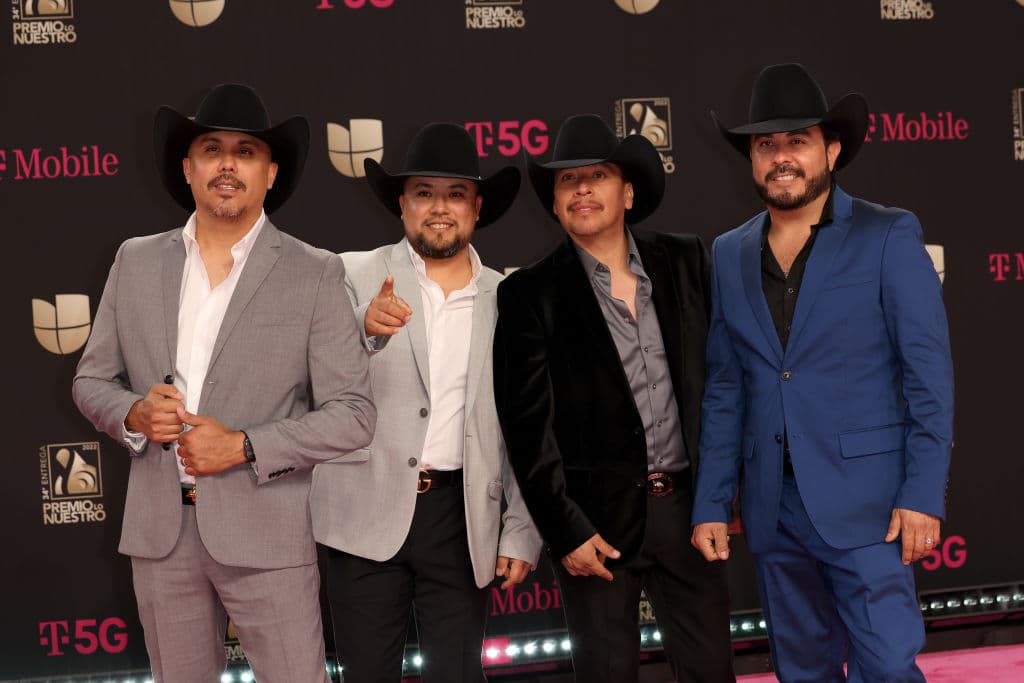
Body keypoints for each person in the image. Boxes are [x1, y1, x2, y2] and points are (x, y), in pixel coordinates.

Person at [72, 83, 376, 683]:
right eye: (212, 150)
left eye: (246, 152)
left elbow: (354, 413)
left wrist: (243, 445)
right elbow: (90, 380)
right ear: (188, 168)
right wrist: (134, 414)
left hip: (268, 536)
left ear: (270, 173)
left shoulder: (315, 272)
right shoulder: (134, 259)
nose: (228, 165)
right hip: (160, 537)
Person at [691, 63, 954, 682]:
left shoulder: (888, 235)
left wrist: (922, 493)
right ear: (752, 159)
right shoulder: (728, 252)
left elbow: (929, 378)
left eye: (798, 141)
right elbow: (726, 387)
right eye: (766, 144)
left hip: (870, 504)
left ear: (831, 151)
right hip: (772, 507)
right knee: (802, 671)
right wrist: (711, 501)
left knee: (887, 668)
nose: (781, 157)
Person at [493, 114, 734, 683]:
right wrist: (566, 531)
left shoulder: (685, 261)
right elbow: (527, 431)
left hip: (689, 514)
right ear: (555, 204)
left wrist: (716, 500)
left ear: (627, 193)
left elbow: (720, 386)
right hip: (593, 526)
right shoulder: (528, 293)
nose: (582, 189)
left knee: (711, 672)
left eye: (597, 175)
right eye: (567, 180)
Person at [310, 122, 542, 683]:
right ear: (402, 203)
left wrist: (521, 529)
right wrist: (362, 327)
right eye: (424, 193)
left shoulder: (510, 298)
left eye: (455, 194)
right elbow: (305, 376)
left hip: (463, 516)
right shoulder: (348, 273)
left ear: (477, 207)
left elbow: (529, 425)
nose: (439, 208)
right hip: (362, 513)